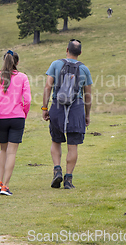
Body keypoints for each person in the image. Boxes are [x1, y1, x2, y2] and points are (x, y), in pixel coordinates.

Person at [42, 39, 92, 189]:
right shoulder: (84, 69)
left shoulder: (55, 64)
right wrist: (87, 114)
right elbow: (88, 95)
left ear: (66, 50)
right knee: (73, 145)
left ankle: (57, 169)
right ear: (80, 53)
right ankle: (68, 180)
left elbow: (47, 87)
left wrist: (45, 108)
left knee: (56, 140)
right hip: (76, 108)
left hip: (57, 106)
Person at [0, 50, 31, 196]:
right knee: (12, 152)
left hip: (1, 118)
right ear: (17, 63)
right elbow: (28, 99)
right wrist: (23, 113)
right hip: (17, 117)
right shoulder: (23, 77)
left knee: (3, 150)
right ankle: (6, 186)